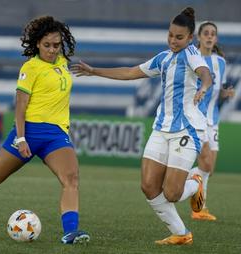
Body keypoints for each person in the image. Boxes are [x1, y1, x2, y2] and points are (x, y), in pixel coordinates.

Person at [71, 7, 212, 245]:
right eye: (170, 35)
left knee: (172, 193)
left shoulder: (192, 54)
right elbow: (129, 72)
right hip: (161, 128)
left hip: (186, 130)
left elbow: (205, 74)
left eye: (179, 37)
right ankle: (181, 234)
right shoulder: (163, 58)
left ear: (190, 39)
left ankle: (195, 183)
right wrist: (95, 71)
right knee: (148, 186)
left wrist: (203, 87)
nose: (173, 41)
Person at [0, 16, 90, 244]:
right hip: (28, 132)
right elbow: (20, 107)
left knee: (71, 178)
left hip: (56, 135)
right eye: (47, 45)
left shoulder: (61, 62)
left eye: (56, 45)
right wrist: (20, 138)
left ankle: (71, 232)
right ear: (37, 43)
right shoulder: (30, 68)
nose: (52, 50)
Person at [189, 21, 235, 221]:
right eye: (205, 33)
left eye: (212, 34)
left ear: (215, 39)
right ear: (199, 37)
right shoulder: (192, 57)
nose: (209, 36)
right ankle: (198, 208)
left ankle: (197, 204)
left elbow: (217, 91)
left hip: (213, 119)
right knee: (205, 163)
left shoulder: (220, 62)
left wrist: (226, 93)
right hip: (196, 118)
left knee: (209, 169)